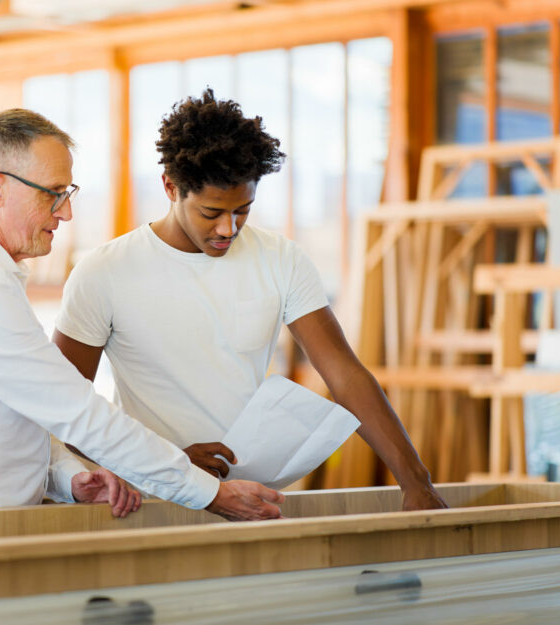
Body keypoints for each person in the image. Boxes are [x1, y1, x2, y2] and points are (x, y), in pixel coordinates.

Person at [53, 90, 446, 511]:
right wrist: (169, 464)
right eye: (211, 212)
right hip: (151, 501)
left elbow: (344, 373)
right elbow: (62, 406)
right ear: (170, 186)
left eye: (243, 209)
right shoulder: (104, 272)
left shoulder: (281, 259)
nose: (228, 228)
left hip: (253, 498)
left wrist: (415, 481)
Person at [0, 108, 284, 521]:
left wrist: (69, 477)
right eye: (51, 193)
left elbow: (17, 414)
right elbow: (78, 412)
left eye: (68, 193)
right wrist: (209, 494)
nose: (65, 212)